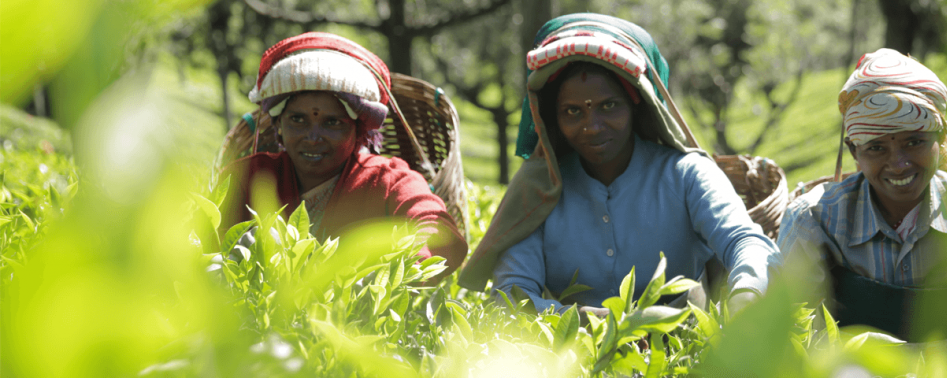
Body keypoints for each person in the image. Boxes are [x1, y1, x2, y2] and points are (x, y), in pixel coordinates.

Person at [458, 13, 781, 315]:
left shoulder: (686, 174)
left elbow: (744, 241)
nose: (592, 126)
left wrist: (746, 299)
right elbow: (512, 293)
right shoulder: (538, 190)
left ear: (636, 104)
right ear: (552, 117)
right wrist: (586, 321)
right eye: (572, 111)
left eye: (609, 106)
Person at [778, 48, 947, 341]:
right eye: (876, 148)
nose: (899, 163)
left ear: (940, 139)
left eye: (914, 142)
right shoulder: (814, 221)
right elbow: (791, 335)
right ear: (854, 152)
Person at [220, 32, 467, 279]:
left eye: (332, 122)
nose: (313, 137)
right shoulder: (248, 175)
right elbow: (201, 248)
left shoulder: (389, 180)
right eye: (297, 119)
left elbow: (438, 231)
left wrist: (393, 271)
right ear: (278, 126)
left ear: (358, 131)